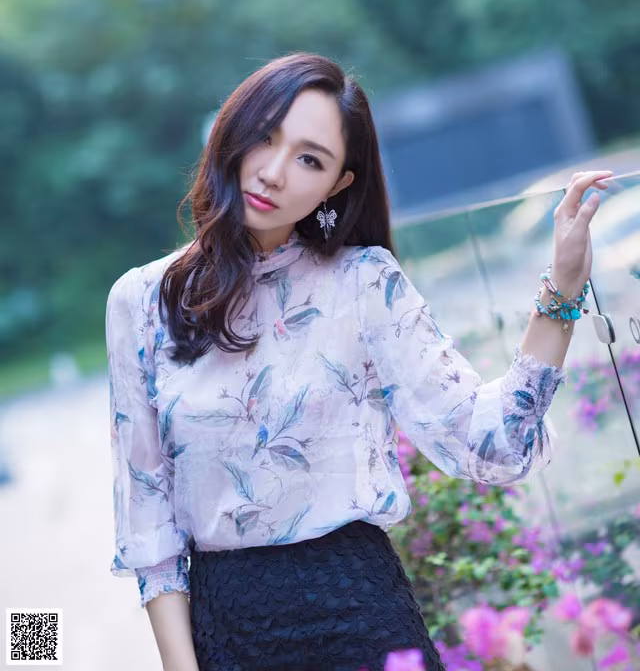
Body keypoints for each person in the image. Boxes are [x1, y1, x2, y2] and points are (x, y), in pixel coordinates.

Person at [105, 52, 613, 671]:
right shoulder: (143, 300)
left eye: (309, 159)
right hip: (226, 628)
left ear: (338, 185)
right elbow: (148, 520)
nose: (272, 172)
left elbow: (492, 440)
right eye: (265, 137)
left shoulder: (363, 283)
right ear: (231, 133)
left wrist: (561, 289)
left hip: (359, 614)